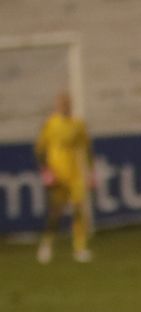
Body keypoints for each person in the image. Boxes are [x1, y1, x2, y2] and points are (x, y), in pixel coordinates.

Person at [35, 92, 92, 265]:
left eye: (68, 103)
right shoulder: (50, 124)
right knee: (55, 212)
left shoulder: (78, 124)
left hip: (75, 175)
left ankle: (79, 248)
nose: (65, 106)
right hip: (57, 174)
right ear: (57, 106)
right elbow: (40, 149)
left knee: (78, 211)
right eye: (62, 103)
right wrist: (46, 172)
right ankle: (47, 244)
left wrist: (91, 172)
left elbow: (87, 148)